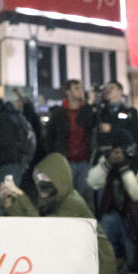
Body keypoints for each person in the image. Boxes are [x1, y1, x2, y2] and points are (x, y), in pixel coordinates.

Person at [0, 152, 118, 274]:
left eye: (45, 178)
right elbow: (30, 225)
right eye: (38, 178)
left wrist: (20, 195)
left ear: (59, 178)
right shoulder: (52, 200)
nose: (40, 182)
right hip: (75, 262)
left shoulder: (72, 203)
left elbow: (44, 229)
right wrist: (11, 205)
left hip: (97, 265)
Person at [88, 130, 138, 272]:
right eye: (114, 150)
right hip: (112, 214)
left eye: (120, 150)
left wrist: (124, 167)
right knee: (107, 255)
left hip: (136, 218)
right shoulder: (108, 159)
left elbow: (136, 194)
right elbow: (92, 182)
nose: (117, 154)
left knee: (134, 263)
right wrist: (107, 164)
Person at [45, 79, 96, 211]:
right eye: (76, 88)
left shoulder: (87, 111)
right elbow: (50, 138)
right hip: (66, 162)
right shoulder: (59, 113)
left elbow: (91, 127)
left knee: (85, 198)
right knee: (66, 198)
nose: (80, 91)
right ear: (68, 92)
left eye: (81, 88)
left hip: (85, 161)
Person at [0, 94, 34, 201]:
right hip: (13, 164)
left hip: (5, 166)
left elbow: (4, 145)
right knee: (10, 201)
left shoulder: (3, 120)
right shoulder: (12, 117)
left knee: (5, 201)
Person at [93, 81, 138, 156]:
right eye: (106, 88)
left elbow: (134, 130)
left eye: (111, 88)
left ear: (120, 92)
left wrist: (112, 128)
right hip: (104, 154)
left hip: (123, 153)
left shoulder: (130, 112)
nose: (107, 91)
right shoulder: (101, 111)